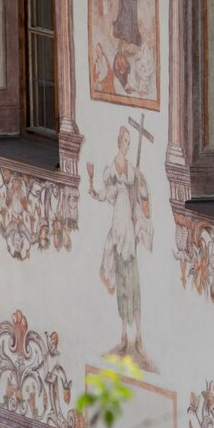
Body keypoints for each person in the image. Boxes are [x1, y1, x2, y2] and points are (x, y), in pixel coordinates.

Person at [87, 126, 154, 370]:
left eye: (129, 141)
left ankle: (139, 336)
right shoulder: (113, 169)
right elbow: (107, 192)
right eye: (124, 141)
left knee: (133, 283)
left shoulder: (134, 171)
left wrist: (142, 186)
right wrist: (95, 192)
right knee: (122, 283)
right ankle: (124, 336)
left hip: (129, 223)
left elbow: (143, 194)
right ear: (118, 142)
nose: (127, 144)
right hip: (119, 221)